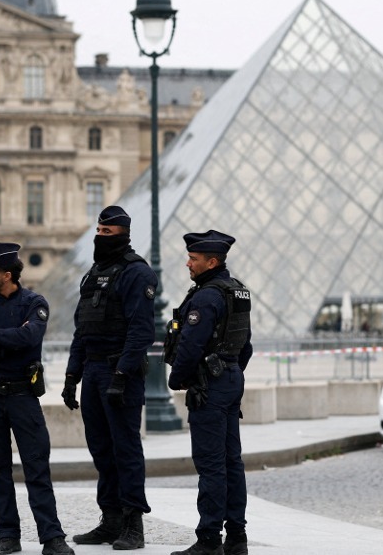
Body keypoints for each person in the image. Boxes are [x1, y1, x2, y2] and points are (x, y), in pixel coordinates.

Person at [0, 242, 74, 555]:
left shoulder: (34, 302)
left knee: (37, 469)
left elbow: (31, 337)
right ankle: (8, 535)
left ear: (7, 274)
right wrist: (9, 344)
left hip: (23, 396)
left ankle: (52, 537)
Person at [62, 206, 156, 550]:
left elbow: (141, 331)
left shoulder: (137, 272)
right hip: (92, 370)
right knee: (101, 450)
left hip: (120, 372)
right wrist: (72, 375)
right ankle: (111, 518)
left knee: (125, 449)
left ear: (123, 235)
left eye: (107, 233)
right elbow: (82, 329)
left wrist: (121, 374)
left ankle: (133, 524)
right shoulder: (93, 274)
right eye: (98, 231)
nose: (100, 237)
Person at [164, 230, 253, 555]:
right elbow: (246, 345)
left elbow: (190, 346)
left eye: (194, 259)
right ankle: (237, 537)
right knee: (232, 462)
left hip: (209, 385)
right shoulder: (237, 291)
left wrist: (178, 379)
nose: (188, 263)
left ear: (211, 262)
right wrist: (230, 371)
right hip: (229, 379)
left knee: (211, 464)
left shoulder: (205, 298)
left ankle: (209, 539)